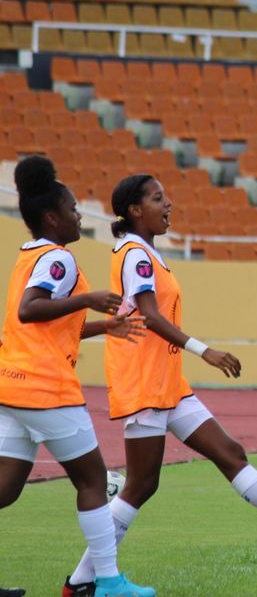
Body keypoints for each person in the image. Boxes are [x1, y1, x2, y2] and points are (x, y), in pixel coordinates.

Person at [64, 174, 257, 595]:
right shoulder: (135, 254)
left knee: (230, 453)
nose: (167, 203)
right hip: (146, 385)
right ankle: (81, 581)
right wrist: (204, 350)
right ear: (135, 211)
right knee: (140, 484)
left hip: (167, 383)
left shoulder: (143, 251)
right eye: (157, 198)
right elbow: (149, 315)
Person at [0, 156, 154, 597]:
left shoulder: (27, 256)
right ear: (52, 217)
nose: (79, 215)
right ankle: (107, 582)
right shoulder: (59, 259)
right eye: (72, 209)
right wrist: (88, 297)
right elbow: (32, 310)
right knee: (92, 482)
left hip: (11, 386)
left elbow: (45, 327)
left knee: (5, 489)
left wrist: (102, 325)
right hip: (45, 390)